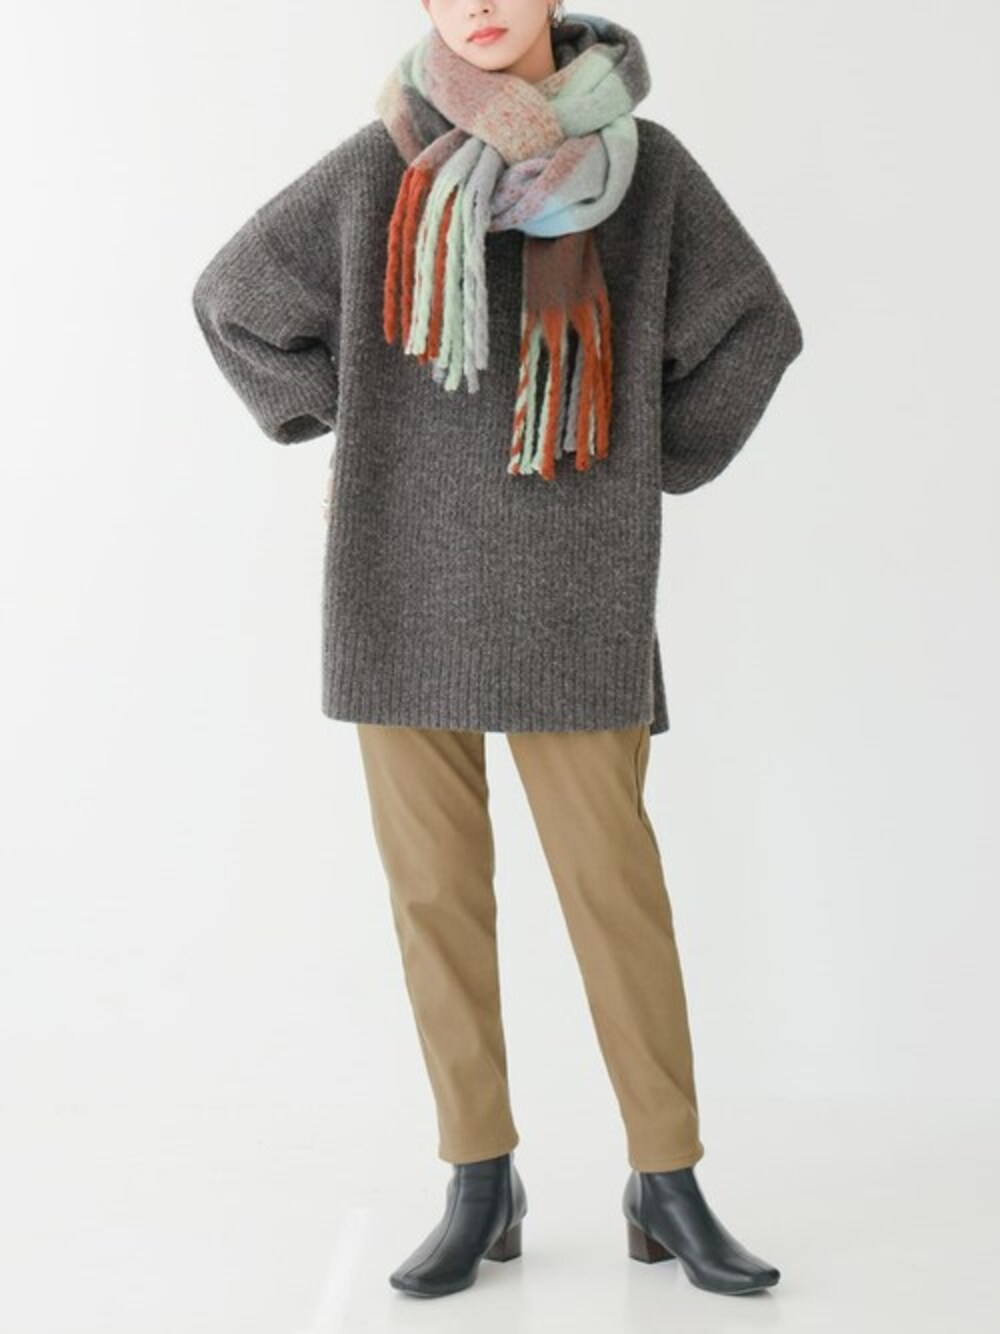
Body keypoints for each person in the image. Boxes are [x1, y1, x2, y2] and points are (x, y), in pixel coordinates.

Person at [191, 0, 803, 1302]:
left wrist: (646, 457)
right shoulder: (384, 166)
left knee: (612, 887)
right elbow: (234, 300)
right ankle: (480, 1175)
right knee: (434, 895)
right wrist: (348, 434)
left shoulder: (648, 175)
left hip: (577, 582)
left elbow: (757, 327)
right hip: (403, 577)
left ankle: (666, 1177)